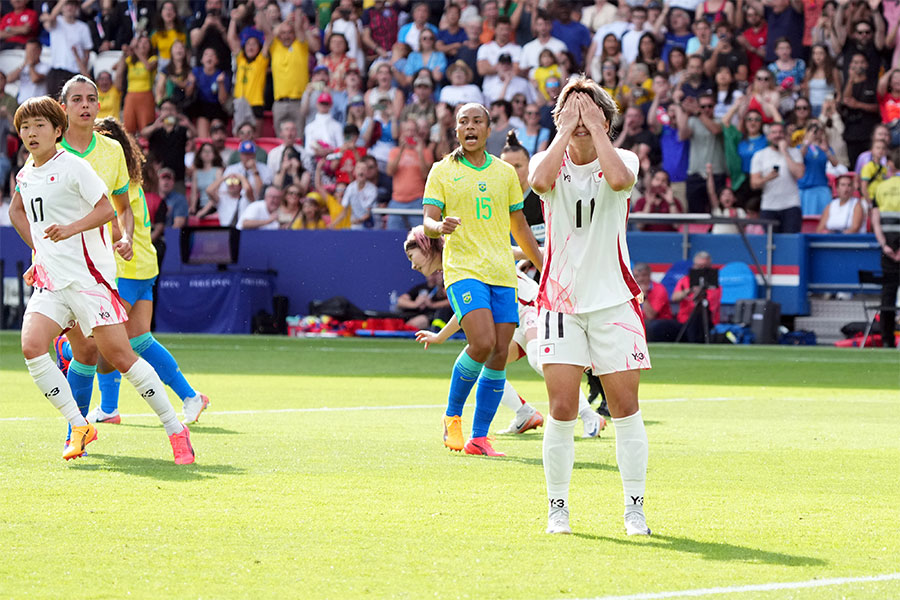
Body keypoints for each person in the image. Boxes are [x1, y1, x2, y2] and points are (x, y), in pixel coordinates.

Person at [8, 96, 194, 463]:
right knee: (32, 346)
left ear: (57, 130)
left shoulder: (75, 167)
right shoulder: (26, 173)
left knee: (121, 357)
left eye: (39, 125)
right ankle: (79, 424)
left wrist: (70, 230)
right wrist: (40, 253)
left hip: (90, 281)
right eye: (24, 127)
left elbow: (108, 209)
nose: (30, 133)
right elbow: (17, 211)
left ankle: (175, 428)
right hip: (53, 283)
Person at [529, 76, 651, 536]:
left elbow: (619, 180)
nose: (580, 119)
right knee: (561, 407)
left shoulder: (625, 159)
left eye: (590, 111)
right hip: (560, 302)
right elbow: (538, 183)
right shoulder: (547, 160)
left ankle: (634, 507)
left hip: (614, 301)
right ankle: (557, 507)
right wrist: (566, 127)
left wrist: (597, 128)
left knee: (625, 408)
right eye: (570, 110)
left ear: (605, 117)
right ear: (559, 117)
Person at [422, 102, 543, 457]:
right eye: (464, 122)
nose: (470, 127)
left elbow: (518, 226)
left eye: (477, 121)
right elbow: (428, 218)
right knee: (482, 341)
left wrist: (543, 264)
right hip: (463, 269)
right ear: (456, 130)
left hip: (502, 271)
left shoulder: (505, 173)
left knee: (500, 352)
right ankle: (452, 417)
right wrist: (437, 226)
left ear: (488, 130)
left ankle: (479, 437)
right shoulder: (442, 171)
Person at [75, 118, 210, 427]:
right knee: (138, 340)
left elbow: (109, 222)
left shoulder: (111, 181)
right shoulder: (130, 179)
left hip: (125, 267)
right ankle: (186, 397)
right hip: (142, 266)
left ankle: (106, 407)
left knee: (101, 339)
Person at [750, 121, 804, 233]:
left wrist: (784, 151)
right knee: (770, 244)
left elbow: (799, 174)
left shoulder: (795, 152)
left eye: (780, 132)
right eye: (774, 132)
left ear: (785, 135)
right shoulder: (759, 155)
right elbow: (754, 184)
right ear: (769, 136)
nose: (777, 135)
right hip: (769, 206)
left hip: (791, 205)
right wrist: (767, 178)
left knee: (790, 243)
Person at [871, 148, 900, 348]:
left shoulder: (880, 187)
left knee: (888, 296)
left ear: (891, 165)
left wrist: (885, 246)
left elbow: (875, 221)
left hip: (888, 250)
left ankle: (887, 340)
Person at [386, 119, 434, 231]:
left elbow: (426, 175)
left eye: (413, 130)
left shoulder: (426, 152)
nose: (410, 133)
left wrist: (420, 153)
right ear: (402, 132)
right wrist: (401, 151)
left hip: (417, 200)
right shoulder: (394, 151)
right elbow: (390, 172)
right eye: (407, 130)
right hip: (397, 200)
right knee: (392, 236)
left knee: (421, 237)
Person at [40, 0, 93, 98]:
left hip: (74, 72)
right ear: (62, 7)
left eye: (73, 5)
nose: (69, 8)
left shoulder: (83, 27)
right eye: (67, 5)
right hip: (56, 71)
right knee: (54, 106)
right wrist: (62, 2)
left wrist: (83, 70)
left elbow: (87, 52)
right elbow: (51, 19)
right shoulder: (57, 21)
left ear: (77, 8)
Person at [335, 161, 377, 230]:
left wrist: (358, 220)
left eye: (363, 169)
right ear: (354, 172)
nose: (361, 170)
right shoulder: (350, 188)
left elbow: (367, 213)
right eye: (358, 168)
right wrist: (332, 225)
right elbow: (344, 211)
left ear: (367, 172)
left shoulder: (372, 190)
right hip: (355, 226)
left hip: (371, 226)